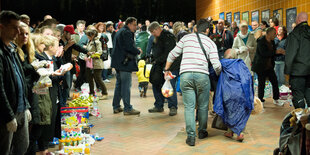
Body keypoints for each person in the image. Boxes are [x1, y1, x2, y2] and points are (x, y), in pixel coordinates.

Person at [164, 19, 222, 146]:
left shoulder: (186, 39)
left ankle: (191, 136)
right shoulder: (211, 43)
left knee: (189, 107)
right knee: (202, 106)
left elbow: (172, 54)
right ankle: (202, 131)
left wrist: (166, 69)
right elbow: (216, 65)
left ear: (196, 28)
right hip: (202, 76)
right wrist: (219, 75)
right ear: (207, 30)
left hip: (186, 75)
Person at [0, 10, 32, 155]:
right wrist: (8, 116)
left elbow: (20, 79)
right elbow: (0, 88)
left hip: (20, 108)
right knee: (4, 149)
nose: (18, 31)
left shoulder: (12, 49)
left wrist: (25, 105)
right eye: (14, 27)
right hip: (8, 112)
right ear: (2, 27)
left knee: (22, 147)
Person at [111, 17, 141, 115]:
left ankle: (116, 106)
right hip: (125, 63)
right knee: (125, 86)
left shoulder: (120, 31)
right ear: (129, 24)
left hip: (118, 62)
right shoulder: (127, 32)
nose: (136, 27)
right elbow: (129, 47)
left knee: (119, 85)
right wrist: (138, 51)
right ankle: (127, 108)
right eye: (134, 25)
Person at [147, 21, 179, 116]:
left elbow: (169, 53)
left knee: (169, 86)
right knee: (156, 83)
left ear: (157, 29)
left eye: (153, 32)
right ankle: (158, 105)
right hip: (159, 64)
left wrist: (158, 60)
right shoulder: (157, 37)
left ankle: (172, 106)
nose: (152, 34)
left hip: (170, 66)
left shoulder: (168, 36)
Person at [285, 12, 310, 109]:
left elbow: (290, 55)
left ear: (298, 20)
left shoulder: (294, 34)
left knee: (298, 96)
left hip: (298, 71)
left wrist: (287, 72)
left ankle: (301, 121)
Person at [59, 25, 88, 106]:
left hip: (70, 66)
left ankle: (64, 102)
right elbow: (59, 54)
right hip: (63, 67)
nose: (70, 36)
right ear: (65, 33)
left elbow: (78, 47)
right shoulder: (59, 42)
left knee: (68, 86)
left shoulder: (70, 41)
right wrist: (67, 45)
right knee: (66, 86)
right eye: (69, 34)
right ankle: (62, 104)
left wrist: (88, 52)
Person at [252, 27, 281, 105]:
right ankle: (260, 100)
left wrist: (277, 52)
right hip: (260, 66)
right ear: (269, 34)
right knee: (261, 83)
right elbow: (264, 53)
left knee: (275, 82)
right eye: (274, 33)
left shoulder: (272, 42)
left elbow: (272, 53)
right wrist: (276, 52)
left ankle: (276, 98)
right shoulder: (261, 41)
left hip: (269, 66)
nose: (275, 35)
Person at [84, 29, 108, 100]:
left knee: (98, 79)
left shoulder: (97, 42)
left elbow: (100, 52)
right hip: (89, 63)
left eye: (88, 35)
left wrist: (91, 56)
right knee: (89, 78)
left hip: (96, 63)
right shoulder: (89, 41)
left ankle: (104, 93)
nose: (87, 37)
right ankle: (91, 93)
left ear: (92, 35)